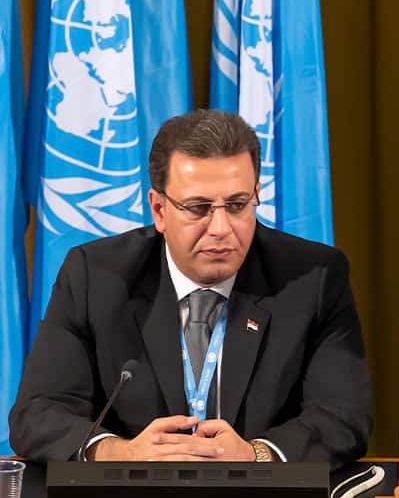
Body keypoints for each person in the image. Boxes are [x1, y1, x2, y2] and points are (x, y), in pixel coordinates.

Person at [10, 110, 371, 465]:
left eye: (237, 205)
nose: (221, 229)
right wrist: (120, 453)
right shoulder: (96, 276)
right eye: (198, 208)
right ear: (159, 210)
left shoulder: (312, 278)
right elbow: (38, 412)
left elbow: (342, 417)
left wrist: (255, 455)